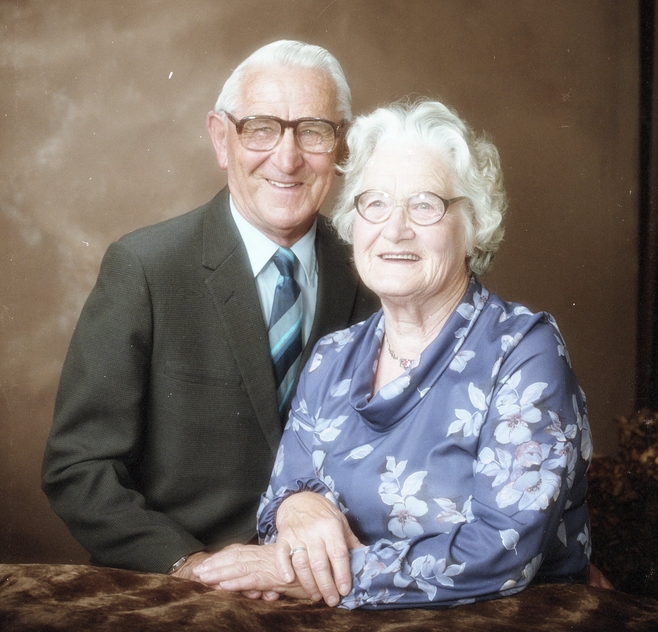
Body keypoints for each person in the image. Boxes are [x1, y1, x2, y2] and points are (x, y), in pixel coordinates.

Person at [193, 99, 596, 608]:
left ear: (473, 224)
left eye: (425, 205)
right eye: (376, 203)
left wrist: (304, 574)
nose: (395, 228)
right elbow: (279, 498)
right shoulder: (332, 356)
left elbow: (502, 551)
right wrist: (299, 506)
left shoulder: (523, 351)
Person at [41, 40, 378, 582]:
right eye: (262, 127)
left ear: (341, 147)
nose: (287, 158)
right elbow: (78, 467)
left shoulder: (375, 275)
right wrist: (191, 567)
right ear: (222, 139)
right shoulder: (145, 268)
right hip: (183, 592)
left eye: (313, 130)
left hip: (327, 587)